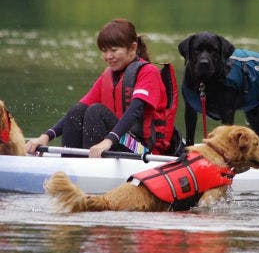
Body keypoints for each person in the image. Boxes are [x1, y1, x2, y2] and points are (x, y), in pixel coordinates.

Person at [25, 18, 177, 157]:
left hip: (143, 150)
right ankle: (70, 162)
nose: (108, 56)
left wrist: (108, 141)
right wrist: (46, 136)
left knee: (96, 111)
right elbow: (79, 108)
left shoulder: (148, 72)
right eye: (104, 51)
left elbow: (135, 111)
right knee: (77, 110)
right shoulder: (108, 75)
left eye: (114, 50)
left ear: (132, 48)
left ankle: (91, 167)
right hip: (115, 140)